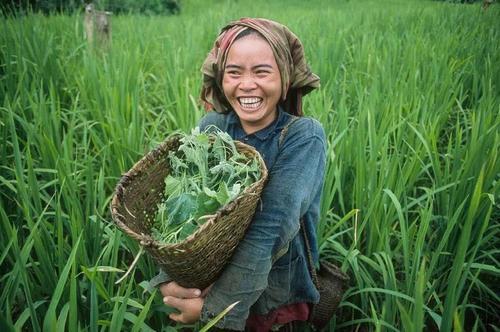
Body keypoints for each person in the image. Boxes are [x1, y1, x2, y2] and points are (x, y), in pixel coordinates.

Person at [150, 17, 327, 331]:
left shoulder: (303, 137)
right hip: (209, 285)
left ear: (285, 77)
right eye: (234, 72)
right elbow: (178, 213)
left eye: (262, 72)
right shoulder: (212, 128)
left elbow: (271, 227)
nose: (247, 84)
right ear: (221, 78)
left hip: (274, 298)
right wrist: (172, 282)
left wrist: (215, 311)